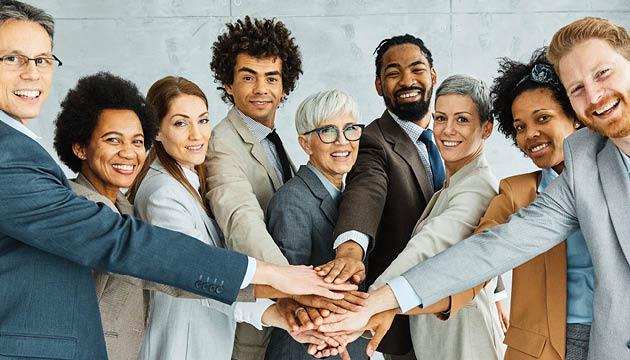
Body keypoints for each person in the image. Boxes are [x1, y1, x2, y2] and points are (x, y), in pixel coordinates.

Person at [0, 2, 354, 358]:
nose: (32, 73)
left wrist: (273, 306)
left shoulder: (164, 187)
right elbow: (138, 249)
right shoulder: (11, 156)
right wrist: (280, 278)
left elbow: (160, 268)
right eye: (13, 58)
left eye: (43, 59)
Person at [320, 16, 630, 360]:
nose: (594, 95)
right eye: (576, 88)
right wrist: (379, 299)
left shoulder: (480, 182)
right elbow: (491, 248)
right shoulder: (579, 170)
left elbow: (441, 239)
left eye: (603, 73)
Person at [126, 76, 337, 359]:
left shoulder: (191, 183)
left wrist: (280, 315)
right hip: (181, 347)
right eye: (180, 123)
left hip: (205, 342)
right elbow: (202, 277)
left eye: (202, 120)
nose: (197, 135)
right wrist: (283, 282)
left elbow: (215, 283)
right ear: (156, 131)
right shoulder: (162, 194)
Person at [320, 34, 443, 360]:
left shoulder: (454, 133)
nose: (406, 81)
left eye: (416, 69)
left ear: (432, 75)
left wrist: (499, 294)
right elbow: (365, 192)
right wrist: (350, 250)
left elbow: (474, 212)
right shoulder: (374, 141)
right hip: (404, 318)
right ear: (379, 85)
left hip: (461, 304)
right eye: (393, 73)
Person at [365, 74, 504, 360]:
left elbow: (428, 245)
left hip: (465, 342)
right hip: (440, 341)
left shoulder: (477, 188)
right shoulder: (455, 182)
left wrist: (372, 301)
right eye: (441, 118)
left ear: (486, 128)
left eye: (462, 120)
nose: (448, 130)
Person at [475, 48, 590, 360]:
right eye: (520, 126)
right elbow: (477, 257)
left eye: (542, 118)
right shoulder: (515, 192)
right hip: (538, 350)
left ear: (576, 116)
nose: (529, 135)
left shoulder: (617, 181)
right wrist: (398, 303)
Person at [205, 16, 308, 359]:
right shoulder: (220, 143)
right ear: (229, 85)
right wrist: (297, 288)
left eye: (271, 78)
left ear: (284, 86)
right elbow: (242, 221)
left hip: (284, 316)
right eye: (248, 77)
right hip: (253, 324)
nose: (261, 88)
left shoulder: (272, 139)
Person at [264, 89, 370, 360]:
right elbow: (289, 294)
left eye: (350, 129)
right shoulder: (291, 202)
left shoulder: (353, 196)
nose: (343, 141)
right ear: (305, 143)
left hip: (348, 346)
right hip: (307, 350)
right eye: (328, 132)